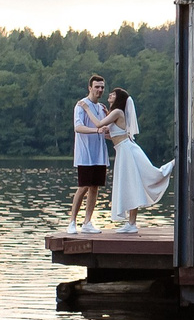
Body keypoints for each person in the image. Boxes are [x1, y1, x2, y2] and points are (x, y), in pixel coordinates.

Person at [105, 88, 174, 231]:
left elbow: (99, 124)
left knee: (132, 184)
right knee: (130, 184)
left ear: (118, 98)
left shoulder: (117, 112)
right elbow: (113, 134)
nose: (109, 95)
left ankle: (131, 223)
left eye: (113, 94)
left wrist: (86, 109)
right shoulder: (114, 113)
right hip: (123, 150)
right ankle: (131, 223)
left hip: (126, 151)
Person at [69, 74, 111, 231]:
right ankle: (72, 221)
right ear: (90, 88)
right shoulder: (81, 105)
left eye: (102, 87)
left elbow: (105, 132)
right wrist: (97, 130)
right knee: (83, 186)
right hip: (85, 154)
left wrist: (107, 132)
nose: (99, 90)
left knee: (95, 187)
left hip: (99, 154)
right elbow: (78, 127)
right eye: (97, 87)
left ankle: (87, 222)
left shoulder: (101, 108)